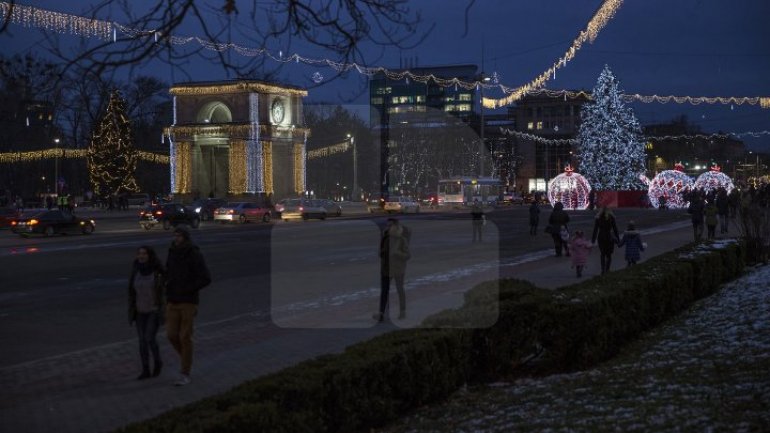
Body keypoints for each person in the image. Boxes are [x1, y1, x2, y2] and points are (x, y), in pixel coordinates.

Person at [165, 227, 211, 386]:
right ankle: (187, 357)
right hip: (172, 300)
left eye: (179, 236)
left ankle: (185, 372)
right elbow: (168, 272)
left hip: (187, 302)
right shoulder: (172, 251)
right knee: (171, 335)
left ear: (185, 237)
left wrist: (188, 288)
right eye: (175, 235)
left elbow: (205, 278)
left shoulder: (193, 253)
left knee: (185, 337)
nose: (176, 238)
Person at [128, 246, 166, 380]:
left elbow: (163, 291)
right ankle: (145, 369)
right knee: (142, 341)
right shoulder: (136, 270)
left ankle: (157, 362)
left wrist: (161, 307)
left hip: (153, 311)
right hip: (140, 311)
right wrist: (132, 308)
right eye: (139, 253)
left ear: (150, 255)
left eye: (144, 253)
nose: (141, 256)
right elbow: (131, 291)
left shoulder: (156, 272)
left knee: (149, 338)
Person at [376, 218, 410, 322]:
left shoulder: (401, 239)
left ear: (396, 226)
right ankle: (381, 313)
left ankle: (402, 311)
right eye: (388, 225)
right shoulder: (385, 238)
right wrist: (382, 254)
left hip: (398, 269)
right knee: (384, 291)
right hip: (386, 269)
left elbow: (407, 255)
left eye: (391, 225)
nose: (388, 227)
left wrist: (397, 254)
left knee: (400, 290)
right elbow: (381, 252)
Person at [591, 206, 619, 274]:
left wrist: (593, 240)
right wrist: (618, 238)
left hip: (601, 237)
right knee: (609, 255)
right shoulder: (611, 217)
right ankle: (607, 269)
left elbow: (595, 229)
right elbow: (615, 229)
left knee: (602, 254)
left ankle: (602, 269)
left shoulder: (598, 218)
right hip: (609, 237)